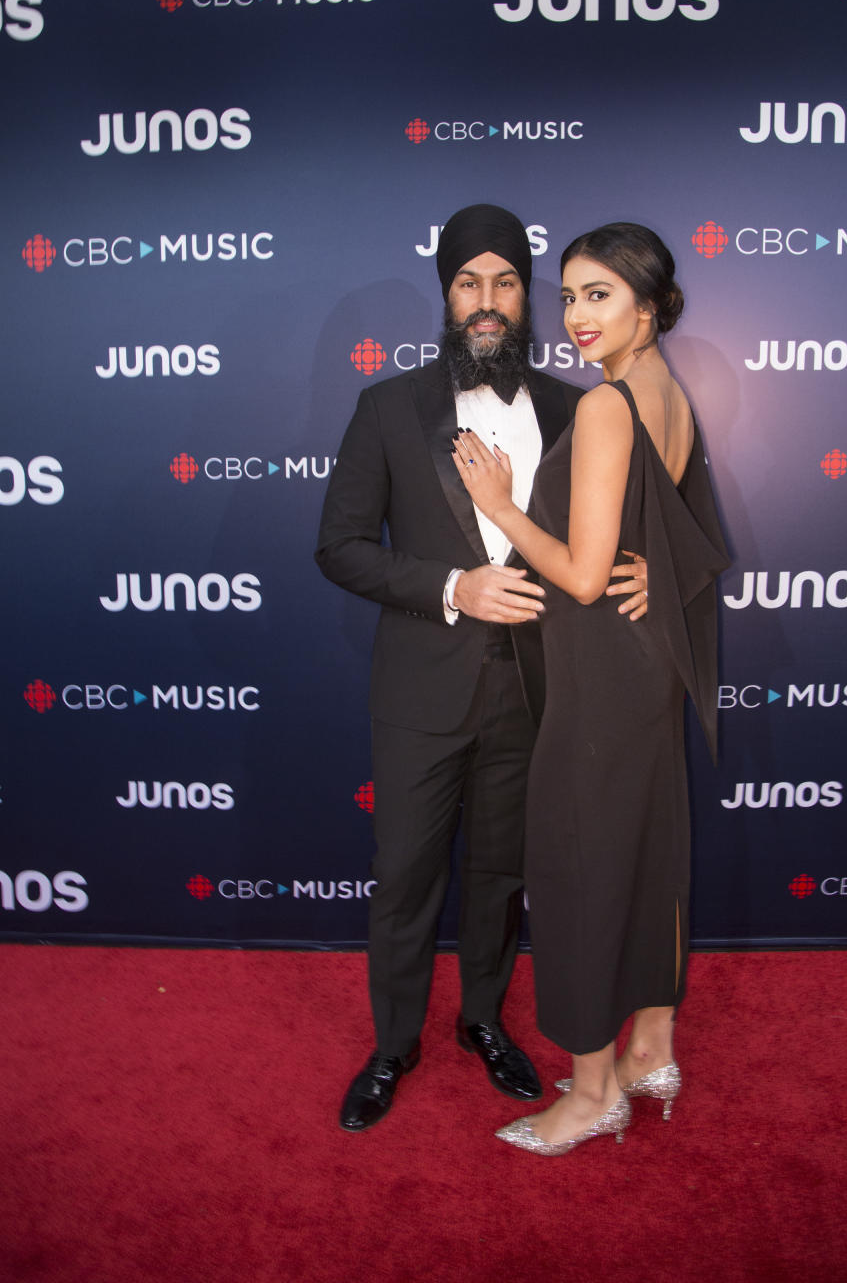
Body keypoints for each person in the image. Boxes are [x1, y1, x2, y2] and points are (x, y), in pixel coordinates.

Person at [315, 204, 650, 1132]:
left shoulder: (572, 406)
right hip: (423, 690)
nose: (488, 302)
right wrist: (455, 585)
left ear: (525, 296)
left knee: (502, 875)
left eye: (505, 282)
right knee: (408, 870)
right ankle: (392, 1044)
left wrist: (648, 563)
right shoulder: (387, 407)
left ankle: (481, 1022)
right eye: (470, 283)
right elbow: (340, 547)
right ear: (447, 294)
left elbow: (611, 529)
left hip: (539, 690)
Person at [451, 222, 729, 1155]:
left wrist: (497, 507)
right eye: (567, 295)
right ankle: (653, 1044)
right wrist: (655, 574)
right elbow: (688, 537)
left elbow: (576, 575)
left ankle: (593, 1090)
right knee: (646, 855)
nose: (576, 316)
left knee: (577, 869)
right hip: (642, 668)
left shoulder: (609, 407)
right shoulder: (665, 392)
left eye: (599, 295)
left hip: (601, 682)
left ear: (647, 305)